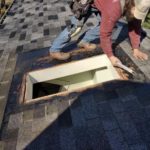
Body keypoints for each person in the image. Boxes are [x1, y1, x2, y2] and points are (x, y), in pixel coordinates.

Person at [49, 0, 150, 65]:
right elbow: (105, 35)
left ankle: (84, 41)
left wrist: (136, 48)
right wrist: (110, 56)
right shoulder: (114, 9)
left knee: (109, 24)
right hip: (86, 3)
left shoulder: (137, 4)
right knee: (75, 28)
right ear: (132, 4)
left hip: (102, 3)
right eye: (136, 12)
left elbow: (135, 24)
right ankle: (54, 50)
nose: (136, 15)